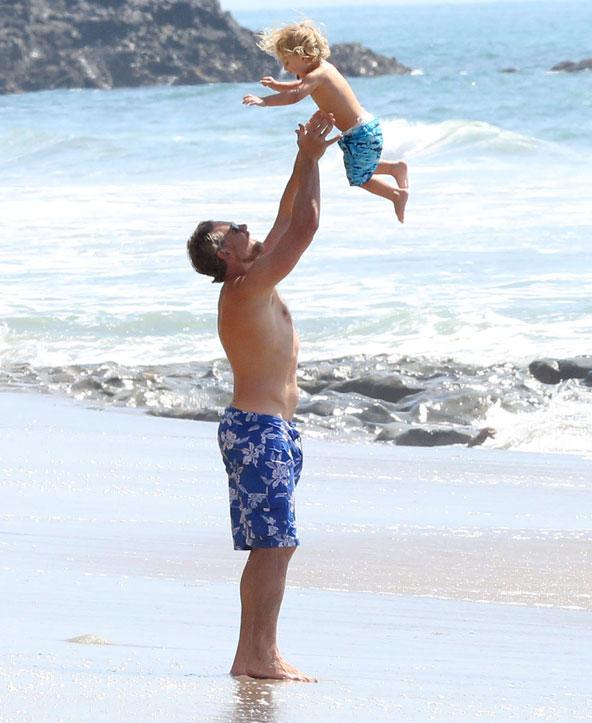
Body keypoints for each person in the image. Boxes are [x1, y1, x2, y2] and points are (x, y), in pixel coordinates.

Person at [186, 111, 339, 682]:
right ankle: (259, 656)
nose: (251, 230)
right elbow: (305, 228)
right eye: (239, 230)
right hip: (257, 432)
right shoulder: (247, 288)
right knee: (274, 546)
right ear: (224, 251)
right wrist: (314, 163)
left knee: (273, 546)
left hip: (268, 431)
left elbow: (284, 217)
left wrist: (304, 158)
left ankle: (252, 654)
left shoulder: (251, 279)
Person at [242, 19, 409, 223]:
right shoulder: (323, 69)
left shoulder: (317, 76)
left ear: (303, 56)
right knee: (358, 168)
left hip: (359, 133)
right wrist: (278, 85)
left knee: (359, 178)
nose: (285, 68)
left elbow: (296, 95)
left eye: (286, 62)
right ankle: (394, 168)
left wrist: (264, 101)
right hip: (363, 128)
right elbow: (300, 86)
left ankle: (396, 195)